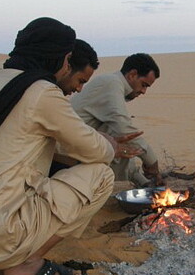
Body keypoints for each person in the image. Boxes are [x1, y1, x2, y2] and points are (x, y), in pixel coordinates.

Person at [0, 18, 139, 275]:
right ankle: (25, 263)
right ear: (59, 57)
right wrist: (110, 144)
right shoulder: (42, 92)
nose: (69, 70)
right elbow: (97, 151)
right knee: (101, 175)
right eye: (68, 61)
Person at [70, 52, 165, 186]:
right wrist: (152, 162)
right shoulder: (111, 84)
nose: (144, 91)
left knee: (118, 138)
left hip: (81, 147)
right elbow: (126, 131)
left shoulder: (112, 83)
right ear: (132, 74)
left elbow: (122, 139)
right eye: (144, 85)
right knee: (120, 136)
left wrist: (144, 182)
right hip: (68, 154)